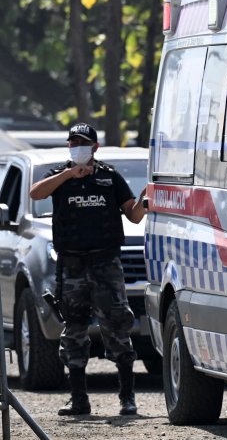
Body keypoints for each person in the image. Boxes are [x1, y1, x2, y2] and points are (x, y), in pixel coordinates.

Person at [29, 123, 147, 417]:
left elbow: (132, 215)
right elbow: (35, 194)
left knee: (117, 327)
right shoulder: (59, 177)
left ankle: (127, 398)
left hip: (106, 265)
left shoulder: (110, 177)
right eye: (73, 142)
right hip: (72, 267)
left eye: (82, 142)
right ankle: (79, 399)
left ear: (95, 147)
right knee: (74, 330)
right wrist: (69, 174)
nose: (76, 147)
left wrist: (145, 203)